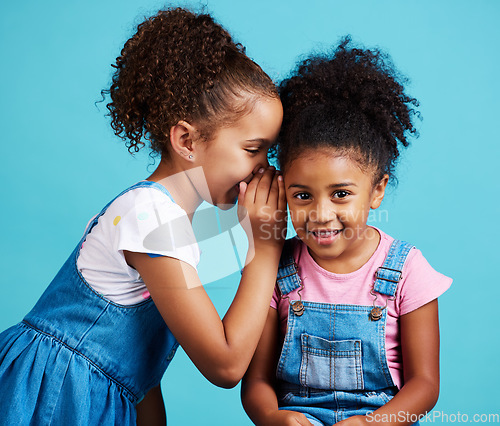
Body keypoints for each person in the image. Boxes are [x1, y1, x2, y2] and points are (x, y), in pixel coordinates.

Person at [0, 7, 286, 425]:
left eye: (269, 151)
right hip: (53, 399)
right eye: (252, 149)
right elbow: (225, 365)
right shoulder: (149, 218)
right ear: (187, 139)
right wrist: (263, 246)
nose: (264, 167)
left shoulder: (168, 222)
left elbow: (135, 372)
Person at [241, 37, 452, 426]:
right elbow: (255, 381)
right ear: (283, 189)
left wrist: (371, 424)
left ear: (377, 190)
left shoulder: (408, 269)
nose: (321, 214)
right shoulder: (276, 267)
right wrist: (274, 417)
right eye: (302, 195)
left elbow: (424, 386)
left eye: (341, 194)